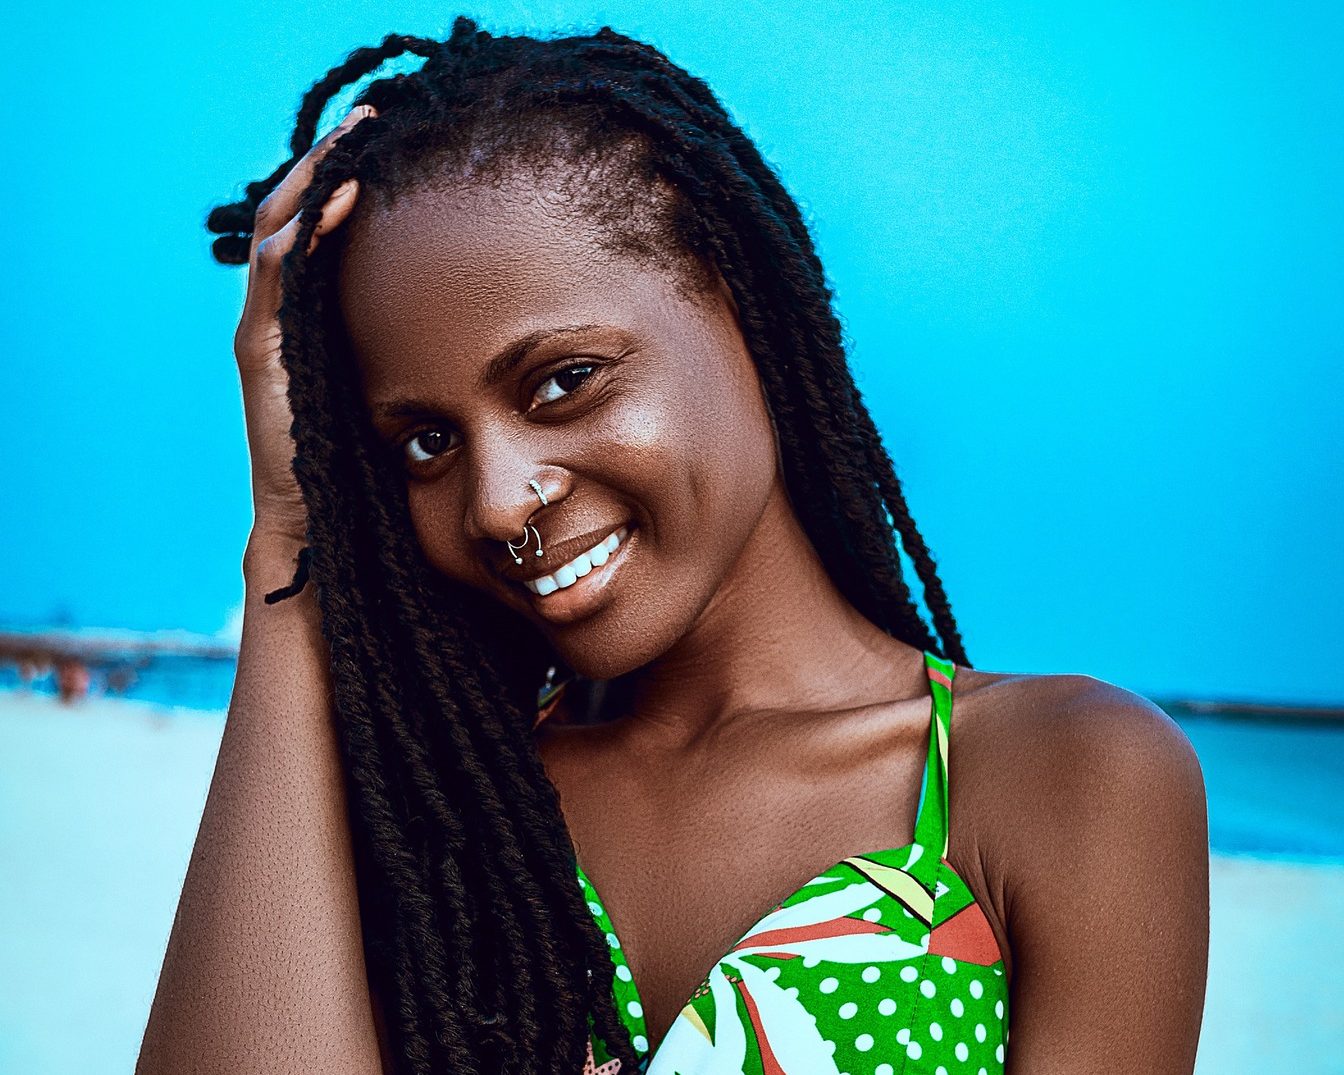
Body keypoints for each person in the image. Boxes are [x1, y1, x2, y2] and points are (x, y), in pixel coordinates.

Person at [137, 18, 1209, 1075]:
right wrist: (289, 547)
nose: (499, 503)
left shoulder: (1058, 777)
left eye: (563, 380)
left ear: (739, 301)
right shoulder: (446, 822)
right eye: (425, 442)